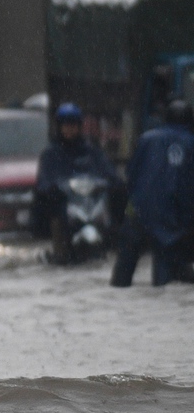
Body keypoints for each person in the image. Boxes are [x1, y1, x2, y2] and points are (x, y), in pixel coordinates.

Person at [112, 98, 194, 288]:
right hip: (170, 215)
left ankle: (118, 288)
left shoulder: (146, 138)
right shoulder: (190, 143)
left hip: (136, 210)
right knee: (165, 279)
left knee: (124, 265)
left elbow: (131, 174)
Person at [33, 103, 118, 264]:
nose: (69, 130)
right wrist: (53, 189)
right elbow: (43, 182)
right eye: (65, 125)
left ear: (79, 127)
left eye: (72, 125)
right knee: (61, 245)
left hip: (91, 208)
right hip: (64, 210)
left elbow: (109, 174)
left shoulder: (91, 151)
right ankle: (60, 255)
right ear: (59, 127)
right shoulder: (51, 154)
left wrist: (112, 183)